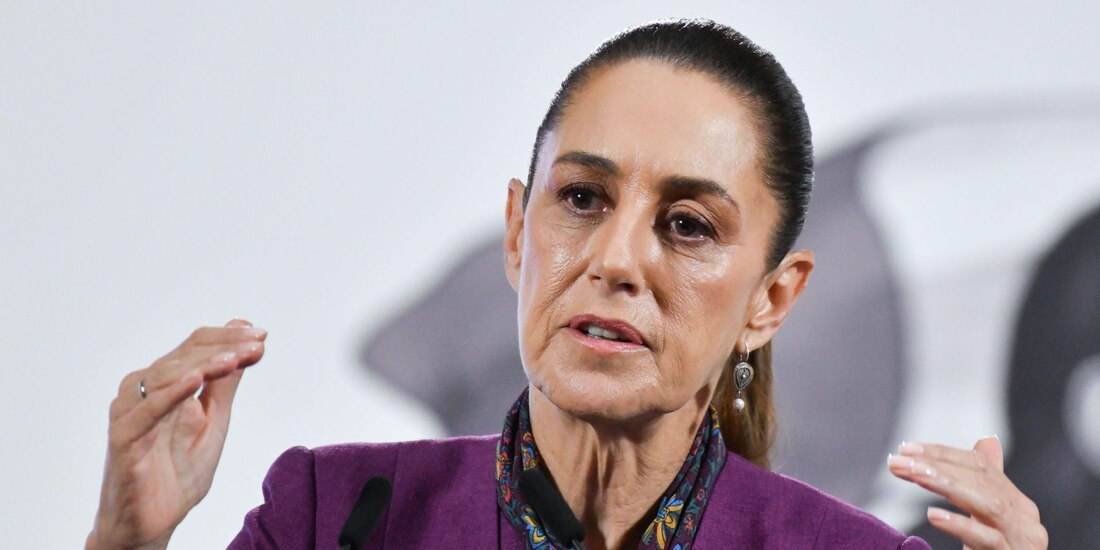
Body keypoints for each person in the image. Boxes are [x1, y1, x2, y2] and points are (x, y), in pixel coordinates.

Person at [86, 20, 1048, 549]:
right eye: (583, 198)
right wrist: (126, 544)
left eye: (687, 225)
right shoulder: (338, 515)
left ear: (771, 301)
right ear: (519, 232)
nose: (617, 261)